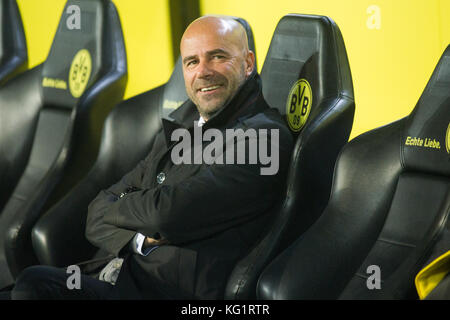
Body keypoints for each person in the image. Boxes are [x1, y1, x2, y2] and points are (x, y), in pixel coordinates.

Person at [9, 15, 294, 300]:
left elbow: (168, 213)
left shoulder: (262, 138)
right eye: (191, 62)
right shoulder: (180, 127)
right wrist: (139, 237)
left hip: (165, 290)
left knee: (35, 285)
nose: (203, 71)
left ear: (248, 63)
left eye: (217, 57)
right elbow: (95, 212)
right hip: (117, 275)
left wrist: (129, 210)